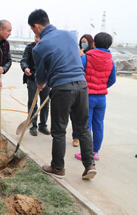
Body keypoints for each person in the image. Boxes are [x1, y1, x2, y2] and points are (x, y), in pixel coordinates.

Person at [28, 9, 96, 180]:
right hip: (82, 86)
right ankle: (89, 165)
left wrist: (40, 82)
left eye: (32, 29)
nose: (34, 32)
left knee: (59, 130)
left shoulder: (40, 46)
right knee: (83, 128)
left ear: (36, 26)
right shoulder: (69, 35)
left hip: (62, 88)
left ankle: (58, 167)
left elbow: (41, 75)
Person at [75, 32, 116, 161]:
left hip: (87, 97)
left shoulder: (86, 57)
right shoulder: (111, 61)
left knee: (85, 127)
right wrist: (101, 86)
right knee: (98, 125)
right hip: (101, 98)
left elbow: (78, 74)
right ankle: (95, 152)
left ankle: (85, 154)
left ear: (95, 43)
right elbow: (112, 79)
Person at [20, 34, 50, 136]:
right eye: (36, 37)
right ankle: (33, 125)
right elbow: (24, 60)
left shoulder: (48, 48)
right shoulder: (29, 48)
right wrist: (25, 68)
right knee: (32, 103)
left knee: (45, 104)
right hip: (32, 79)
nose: (38, 39)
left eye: (40, 38)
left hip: (46, 80)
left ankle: (43, 125)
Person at [71, 34, 94, 147]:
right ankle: (75, 137)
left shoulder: (92, 55)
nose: (82, 44)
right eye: (81, 42)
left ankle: (85, 140)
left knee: (85, 116)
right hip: (75, 86)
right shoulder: (77, 52)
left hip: (88, 89)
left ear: (90, 43)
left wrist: (83, 57)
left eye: (84, 42)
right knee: (74, 114)